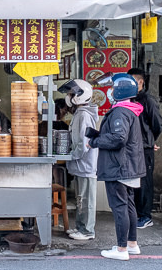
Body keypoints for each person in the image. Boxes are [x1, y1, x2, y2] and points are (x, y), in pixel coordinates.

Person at [89, 73, 145, 260]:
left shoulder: (120, 112)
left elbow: (118, 138)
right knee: (128, 204)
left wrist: (95, 141)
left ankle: (121, 249)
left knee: (120, 206)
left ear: (119, 91)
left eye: (111, 88)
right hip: (128, 165)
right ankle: (131, 244)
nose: (109, 92)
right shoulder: (130, 111)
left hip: (119, 166)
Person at [59, 79, 99, 241]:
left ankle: (88, 231)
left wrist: (71, 155)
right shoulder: (80, 114)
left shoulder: (83, 115)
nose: (69, 97)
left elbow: (83, 144)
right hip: (81, 164)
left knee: (86, 200)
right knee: (81, 199)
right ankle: (81, 227)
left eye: (71, 94)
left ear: (80, 96)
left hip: (85, 164)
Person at [128, 67, 162, 229]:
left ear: (140, 82)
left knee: (145, 182)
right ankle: (136, 213)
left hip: (145, 148)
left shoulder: (148, 100)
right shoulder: (130, 99)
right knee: (133, 181)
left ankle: (146, 216)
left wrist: (150, 140)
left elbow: (157, 124)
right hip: (132, 148)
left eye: (131, 81)